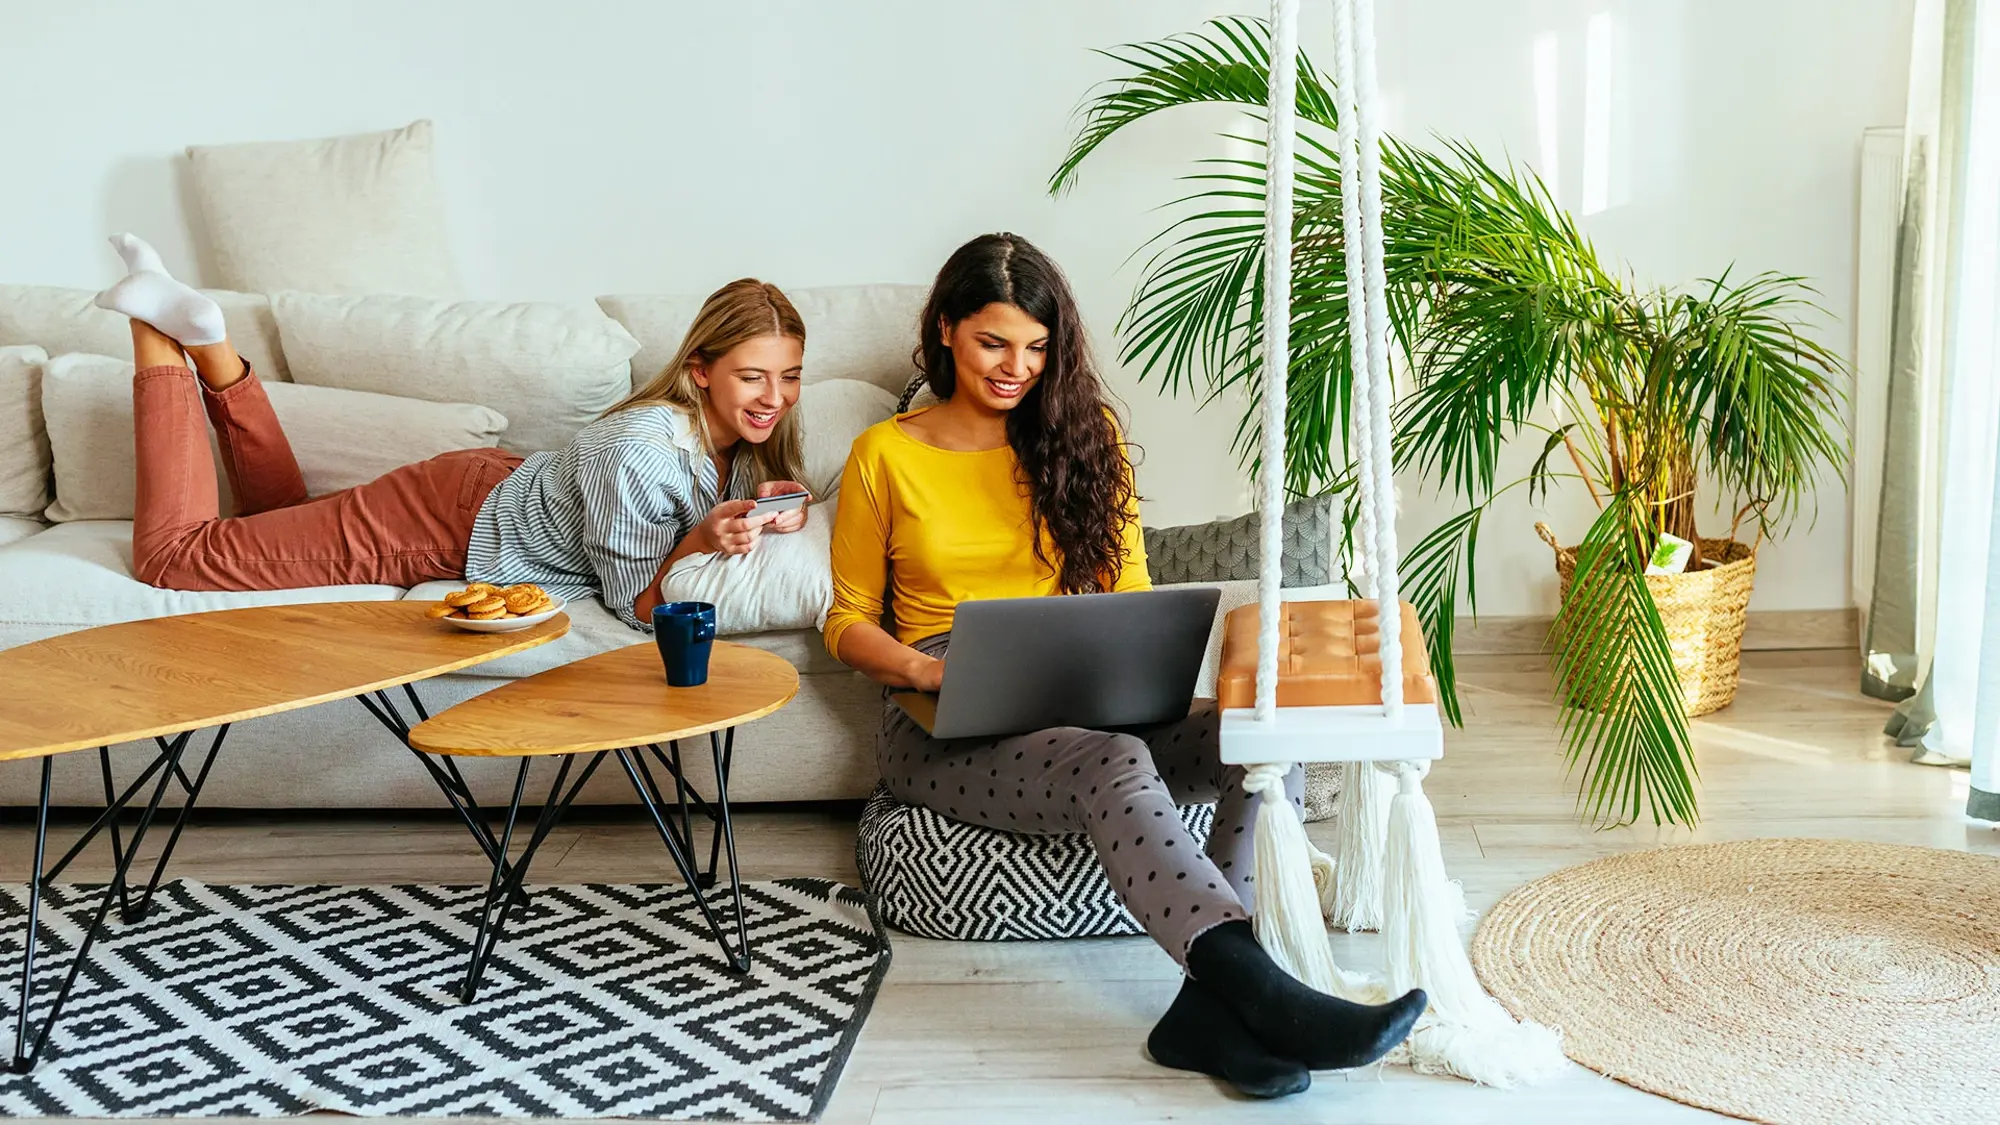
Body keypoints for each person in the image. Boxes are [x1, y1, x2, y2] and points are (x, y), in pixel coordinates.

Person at [825, 232, 1425, 1099]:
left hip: (1080, 690)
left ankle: (1207, 1010)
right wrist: (926, 675)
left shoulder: (1084, 436)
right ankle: (1263, 992)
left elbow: (1132, 590)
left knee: (1253, 738)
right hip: (943, 723)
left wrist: (1139, 671)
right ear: (947, 329)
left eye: (1036, 348)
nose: (1015, 368)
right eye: (994, 342)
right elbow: (845, 621)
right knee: (1115, 759)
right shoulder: (886, 454)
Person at [93, 234, 809, 627]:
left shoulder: (737, 447)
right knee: (174, 558)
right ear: (701, 370)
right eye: (754, 376)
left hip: (483, 493)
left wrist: (782, 503)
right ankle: (155, 327)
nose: (774, 398)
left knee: (274, 524)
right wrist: (702, 536)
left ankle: (213, 346)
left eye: (789, 376)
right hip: (445, 523)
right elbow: (638, 607)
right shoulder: (640, 451)